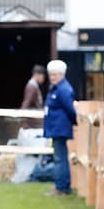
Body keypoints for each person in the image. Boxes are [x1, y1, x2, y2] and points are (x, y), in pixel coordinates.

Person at [42, 59, 77, 196]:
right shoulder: (57, 88)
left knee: (59, 158)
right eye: (51, 75)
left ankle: (62, 187)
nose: (52, 78)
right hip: (56, 128)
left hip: (60, 129)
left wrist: (74, 121)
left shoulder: (63, 89)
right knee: (60, 157)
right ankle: (62, 186)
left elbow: (70, 108)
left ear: (62, 74)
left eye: (55, 75)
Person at [20, 64, 46, 129]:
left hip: (35, 121)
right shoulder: (32, 86)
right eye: (43, 76)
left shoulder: (34, 85)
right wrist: (24, 122)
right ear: (36, 74)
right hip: (32, 123)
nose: (43, 78)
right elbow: (26, 103)